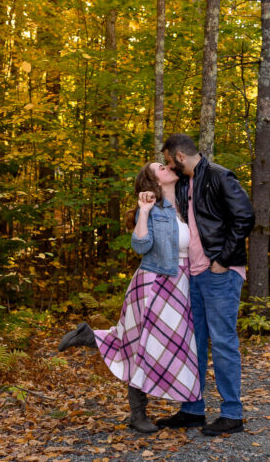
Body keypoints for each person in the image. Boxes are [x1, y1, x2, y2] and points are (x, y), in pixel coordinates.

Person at [56, 162, 201, 433]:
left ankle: (92, 337)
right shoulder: (152, 210)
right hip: (154, 283)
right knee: (140, 345)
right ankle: (138, 414)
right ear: (153, 181)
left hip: (181, 285)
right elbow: (140, 245)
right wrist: (144, 212)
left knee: (168, 344)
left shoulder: (185, 204)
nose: (168, 166)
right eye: (161, 166)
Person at [156, 133, 254, 436]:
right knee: (193, 344)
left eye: (170, 161)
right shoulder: (185, 183)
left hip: (219, 273)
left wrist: (222, 261)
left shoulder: (219, 177)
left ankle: (232, 414)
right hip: (194, 275)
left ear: (180, 156)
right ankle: (192, 409)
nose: (170, 167)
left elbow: (245, 217)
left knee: (223, 341)